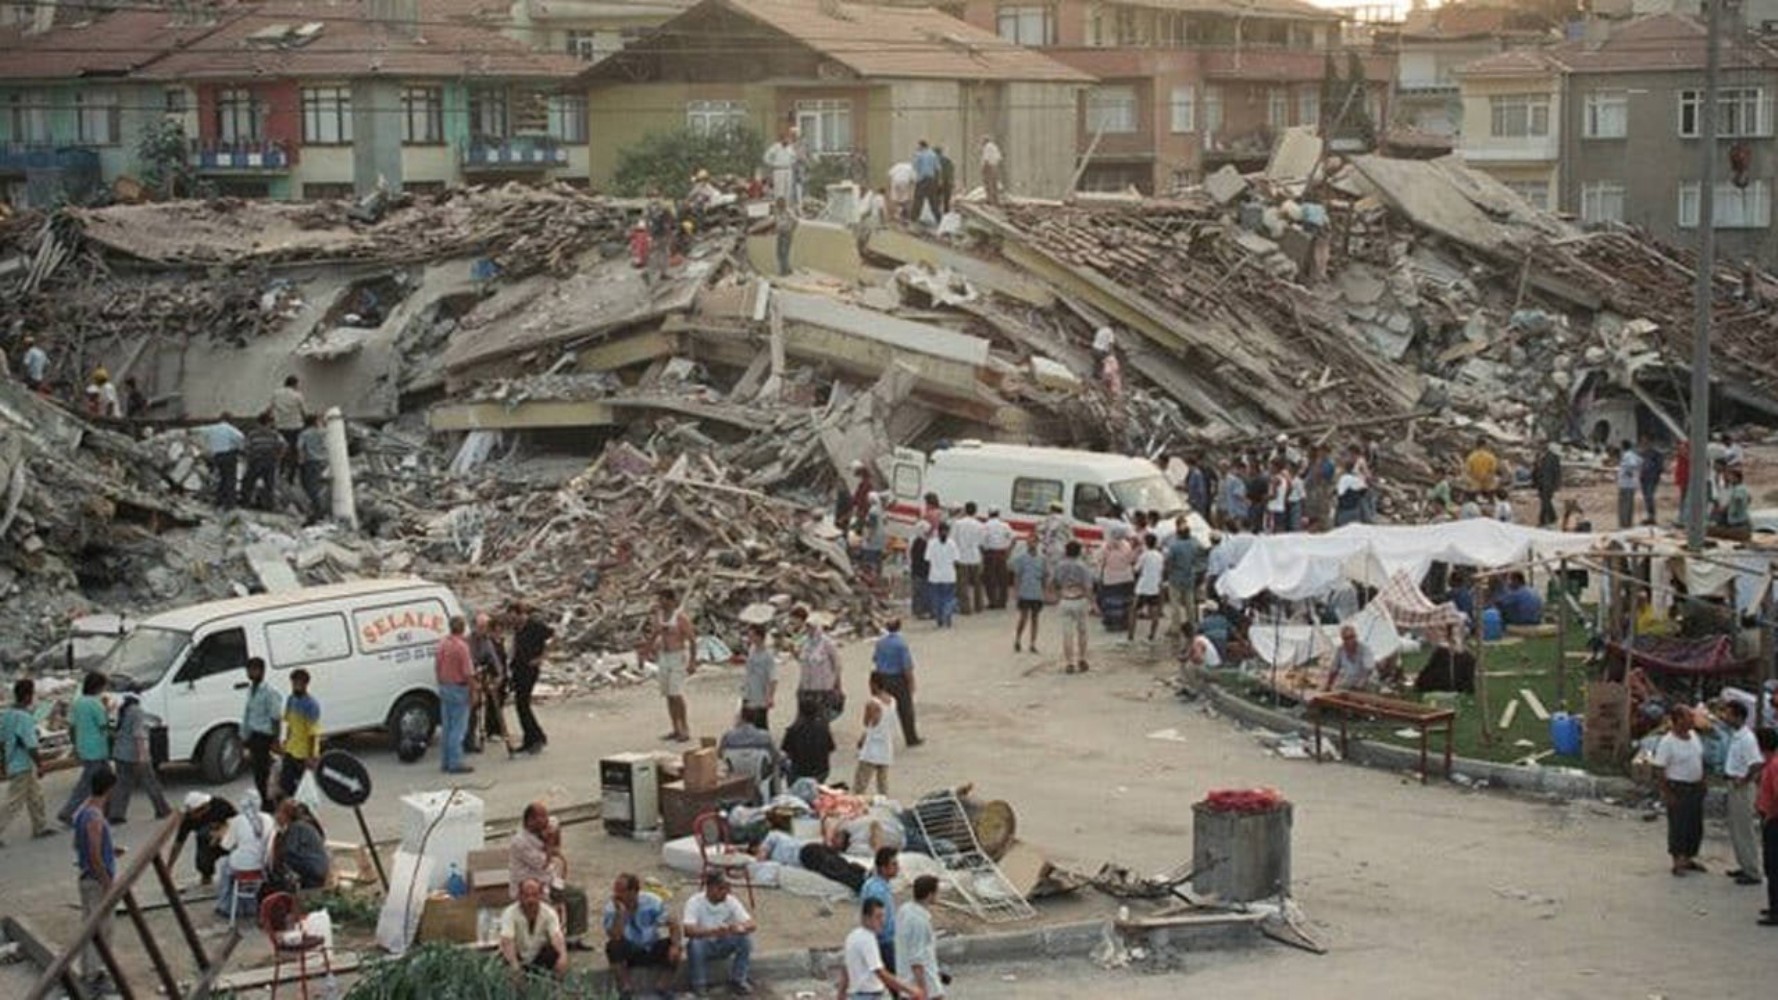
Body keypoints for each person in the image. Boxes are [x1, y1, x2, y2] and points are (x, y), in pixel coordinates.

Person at [509, 801, 590, 946]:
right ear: (530, 820)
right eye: (541, 817)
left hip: (548, 880)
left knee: (577, 895)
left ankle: (573, 937)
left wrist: (554, 834)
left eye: (546, 816)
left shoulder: (544, 827)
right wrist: (549, 842)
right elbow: (542, 863)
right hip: (528, 885)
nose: (546, 820)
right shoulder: (519, 841)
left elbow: (556, 833)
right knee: (547, 907)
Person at [73, 767, 118, 993]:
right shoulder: (95, 817)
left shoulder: (83, 811)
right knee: (100, 929)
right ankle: (94, 976)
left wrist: (111, 850)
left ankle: (91, 972)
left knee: (92, 926)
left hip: (86, 877)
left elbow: (81, 846)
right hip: (96, 881)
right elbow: (94, 853)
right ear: (109, 789)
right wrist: (107, 882)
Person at [603, 872, 680, 995]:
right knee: (613, 947)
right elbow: (615, 936)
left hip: (651, 945)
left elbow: (673, 922)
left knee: (673, 946)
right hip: (630, 949)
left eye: (622, 891)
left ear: (633, 891)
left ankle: (663, 987)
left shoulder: (652, 902)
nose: (617, 895)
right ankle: (626, 988)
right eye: (616, 891)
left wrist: (675, 945)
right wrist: (620, 914)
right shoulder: (612, 908)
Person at [0, 679, 56, 846]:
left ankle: (40, 826)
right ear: (27, 696)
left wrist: (3, 762)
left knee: (35, 796)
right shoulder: (24, 717)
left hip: (13, 760)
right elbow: (30, 745)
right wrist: (40, 764)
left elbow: (2, 741)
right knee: (14, 801)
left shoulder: (8, 714)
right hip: (23, 763)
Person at [682, 870, 755, 995]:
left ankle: (738, 980)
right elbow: (688, 930)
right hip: (704, 943)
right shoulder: (695, 902)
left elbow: (751, 923)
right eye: (720, 889)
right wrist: (712, 931)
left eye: (726, 889)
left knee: (745, 940)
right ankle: (699, 985)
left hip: (724, 941)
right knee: (696, 945)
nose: (724, 892)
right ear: (709, 888)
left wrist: (738, 927)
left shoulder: (730, 901)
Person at [1655, 704, 1706, 876]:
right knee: (1679, 825)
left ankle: (1689, 857)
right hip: (1678, 788)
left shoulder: (1693, 736)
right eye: (1688, 717)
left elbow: (1699, 758)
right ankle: (1677, 861)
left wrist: (1703, 781)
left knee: (1694, 825)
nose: (1693, 720)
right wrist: (1666, 793)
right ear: (1678, 720)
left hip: (1695, 787)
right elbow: (1660, 769)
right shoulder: (1667, 742)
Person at [839, 897, 923, 1000]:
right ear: (866, 918)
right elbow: (880, 972)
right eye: (878, 917)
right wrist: (910, 989)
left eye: (883, 916)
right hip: (870, 995)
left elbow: (846, 969)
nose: (882, 921)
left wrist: (841, 993)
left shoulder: (852, 936)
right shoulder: (867, 939)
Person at [59, 672, 112, 827]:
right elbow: (103, 726)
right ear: (99, 687)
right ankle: (67, 811)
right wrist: (107, 710)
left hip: (84, 748)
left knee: (107, 780)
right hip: (97, 748)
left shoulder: (78, 703)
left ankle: (107, 810)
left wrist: (75, 746)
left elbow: (72, 727)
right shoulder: (96, 704)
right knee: (87, 783)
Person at [1720, 701, 1765, 886]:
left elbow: (1756, 763)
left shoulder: (1747, 738)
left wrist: (1744, 779)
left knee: (1744, 830)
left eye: (1729, 714)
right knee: (1736, 829)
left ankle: (1752, 871)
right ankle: (1744, 865)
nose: (1726, 717)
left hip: (1741, 787)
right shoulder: (1736, 736)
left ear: (1738, 716)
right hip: (1733, 783)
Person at [107, 692, 169, 824]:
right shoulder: (137, 711)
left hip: (120, 753)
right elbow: (138, 735)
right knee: (151, 782)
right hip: (134, 753)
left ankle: (116, 814)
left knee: (122, 784)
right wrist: (143, 756)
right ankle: (162, 809)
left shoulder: (124, 710)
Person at [646, 587, 698, 743]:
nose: (661, 602)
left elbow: (692, 640)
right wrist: (647, 650)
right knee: (668, 694)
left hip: (677, 656)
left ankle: (685, 728)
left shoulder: (680, 617)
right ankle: (675, 728)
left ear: (671, 601)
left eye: (663, 599)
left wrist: (692, 662)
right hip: (664, 656)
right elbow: (654, 634)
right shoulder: (659, 616)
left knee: (676, 693)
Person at [216, 789, 272, 919]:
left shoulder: (237, 821)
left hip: (242, 868)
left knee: (225, 865)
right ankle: (251, 905)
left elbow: (225, 845)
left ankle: (225, 906)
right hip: (263, 866)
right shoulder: (268, 818)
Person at [501, 877, 568, 981]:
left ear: (541, 896)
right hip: (518, 957)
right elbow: (507, 941)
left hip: (538, 957)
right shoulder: (509, 913)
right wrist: (514, 965)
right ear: (519, 896)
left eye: (534, 895)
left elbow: (556, 936)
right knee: (506, 963)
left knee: (554, 954)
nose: (530, 900)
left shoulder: (549, 913)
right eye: (526, 896)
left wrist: (562, 957)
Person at [508, 602, 554, 753]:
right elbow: (515, 644)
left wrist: (542, 657)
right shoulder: (517, 628)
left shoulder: (535, 625)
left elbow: (552, 638)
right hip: (518, 668)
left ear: (521, 614)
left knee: (523, 704)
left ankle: (537, 737)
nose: (513, 621)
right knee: (520, 705)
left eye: (515, 617)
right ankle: (530, 738)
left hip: (530, 668)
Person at [435, 616, 475, 775]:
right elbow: (468, 673)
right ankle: (455, 762)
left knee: (447, 726)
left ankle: (445, 761)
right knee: (458, 728)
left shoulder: (443, 644)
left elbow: (437, 666)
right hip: (459, 688)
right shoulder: (462, 647)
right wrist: (474, 691)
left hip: (445, 686)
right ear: (463, 628)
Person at [871, 619, 921, 747]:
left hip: (882, 678)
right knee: (905, 710)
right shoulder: (901, 644)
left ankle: (877, 738)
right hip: (898, 679)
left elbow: (875, 659)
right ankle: (911, 738)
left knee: (881, 709)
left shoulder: (880, 643)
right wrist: (911, 683)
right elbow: (907, 667)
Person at [170, 792, 236, 886]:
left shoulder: (221, 805)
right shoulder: (188, 819)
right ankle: (206, 874)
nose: (192, 817)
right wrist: (169, 867)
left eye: (194, 813)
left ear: (204, 808)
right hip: (208, 843)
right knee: (203, 836)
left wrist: (221, 831)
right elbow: (178, 843)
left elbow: (237, 821)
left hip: (229, 839)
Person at [895, 875, 945, 999]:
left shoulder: (905, 910)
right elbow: (916, 960)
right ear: (930, 895)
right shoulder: (919, 921)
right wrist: (922, 991)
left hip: (906, 983)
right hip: (925, 986)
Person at [793, 605, 844, 722]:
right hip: (807, 686)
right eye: (807, 627)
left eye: (811, 627)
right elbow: (802, 662)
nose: (808, 630)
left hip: (823, 687)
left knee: (821, 716)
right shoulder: (805, 643)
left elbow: (837, 664)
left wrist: (837, 683)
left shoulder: (827, 643)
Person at [277, 668, 321, 801]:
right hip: (291, 749)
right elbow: (289, 723)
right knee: (286, 783)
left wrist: (311, 756)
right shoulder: (291, 700)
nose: (296, 686)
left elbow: (312, 733)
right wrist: (286, 741)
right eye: (294, 683)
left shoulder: (311, 705)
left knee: (303, 786)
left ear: (306, 684)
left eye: (299, 683)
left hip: (304, 752)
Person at [268, 799, 329, 891]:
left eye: (279, 813)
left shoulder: (297, 827)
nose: (276, 817)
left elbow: (288, 851)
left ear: (286, 815)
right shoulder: (304, 825)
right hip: (317, 869)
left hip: (312, 872)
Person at [470, 611, 510, 752]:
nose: (483, 630)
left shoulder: (487, 641)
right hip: (470, 677)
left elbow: (493, 657)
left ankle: (493, 731)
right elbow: (468, 660)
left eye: (485, 627)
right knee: (473, 710)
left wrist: (500, 674)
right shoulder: (468, 640)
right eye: (481, 627)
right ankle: (471, 738)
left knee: (493, 703)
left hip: (484, 674)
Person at [858, 847, 901, 975]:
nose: (898, 868)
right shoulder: (877, 890)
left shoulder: (879, 885)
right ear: (883, 868)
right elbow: (876, 917)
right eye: (894, 864)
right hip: (883, 941)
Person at [854, 674, 898, 796]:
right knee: (882, 784)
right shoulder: (892, 701)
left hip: (871, 748)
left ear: (874, 684)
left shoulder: (872, 703)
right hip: (886, 746)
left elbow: (867, 724)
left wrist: (861, 741)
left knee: (860, 783)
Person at [1054, 541, 1094, 674]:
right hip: (1080, 599)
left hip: (1065, 599)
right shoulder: (1083, 566)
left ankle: (1069, 662)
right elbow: (1088, 586)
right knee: (1082, 631)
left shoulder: (1060, 565)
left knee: (1067, 634)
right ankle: (1082, 658)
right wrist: (1093, 603)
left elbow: (1056, 582)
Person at [782, 694, 836, 784]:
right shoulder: (823, 729)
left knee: (783, 762)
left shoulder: (793, 730)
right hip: (820, 772)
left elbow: (786, 750)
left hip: (799, 772)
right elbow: (831, 748)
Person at [196, 412, 246, 509]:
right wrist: (240, 448)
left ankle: (218, 501)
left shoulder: (212, 428)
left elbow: (200, 431)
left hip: (217, 456)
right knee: (230, 480)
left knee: (222, 478)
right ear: (230, 420)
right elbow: (241, 438)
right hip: (229, 455)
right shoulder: (231, 429)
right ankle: (230, 504)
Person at [1163, 518, 1203, 636]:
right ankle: (1192, 625)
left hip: (1176, 577)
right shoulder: (1194, 544)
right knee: (1189, 603)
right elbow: (1198, 559)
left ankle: (1175, 628)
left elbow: (1169, 562)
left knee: (1175, 604)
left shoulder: (1174, 546)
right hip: (1190, 576)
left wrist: (1167, 573)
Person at [1010, 533, 1047, 654]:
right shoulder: (1021, 558)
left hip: (1036, 593)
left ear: (1037, 543)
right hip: (1025, 592)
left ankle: (1032, 643)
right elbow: (1017, 576)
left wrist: (1045, 592)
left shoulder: (1042, 559)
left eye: (1033, 542)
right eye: (1029, 542)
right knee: (1023, 618)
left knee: (1035, 618)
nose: (1031, 544)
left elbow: (1044, 577)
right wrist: (1016, 591)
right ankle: (1018, 639)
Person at [242, 411, 284, 510]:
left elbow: (247, 447)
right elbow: (282, 445)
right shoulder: (275, 434)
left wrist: (249, 457)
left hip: (256, 460)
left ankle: (246, 503)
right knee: (269, 484)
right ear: (269, 422)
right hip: (270, 460)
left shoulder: (252, 434)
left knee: (248, 482)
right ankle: (269, 506)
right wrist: (278, 457)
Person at [741, 622, 778, 730]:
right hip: (748, 692)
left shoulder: (768, 655)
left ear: (759, 636)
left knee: (761, 724)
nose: (749, 638)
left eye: (752, 635)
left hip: (761, 695)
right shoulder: (751, 650)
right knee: (746, 723)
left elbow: (773, 678)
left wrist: (770, 696)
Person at [1129, 532, 1165, 644]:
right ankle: (1152, 636)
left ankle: (1130, 636)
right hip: (1155, 587)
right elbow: (1162, 571)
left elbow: (1136, 569)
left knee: (1133, 611)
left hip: (1143, 587)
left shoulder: (1144, 555)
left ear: (1146, 543)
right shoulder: (1160, 556)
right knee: (1155, 613)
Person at [270, 375, 306, 484]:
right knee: (294, 451)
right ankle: (291, 476)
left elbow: (271, 408)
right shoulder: (297, 395)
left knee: (281, 449)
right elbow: (303, 411)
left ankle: (280, 471)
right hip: (295, 426)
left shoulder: (276, 394)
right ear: (295, 384)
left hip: (280, 426)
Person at [952, 502, 985, 615]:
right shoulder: (980, 525)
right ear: (975, 511)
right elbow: (982, 542)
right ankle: (979, 606)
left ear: (965, 510)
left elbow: (953, 540)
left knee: (963, 584)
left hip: (962, 557)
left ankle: (965, 608)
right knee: (977, 584)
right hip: (975, 557)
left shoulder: (958, 523)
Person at [295, 413, 329, 524]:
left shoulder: (304, 434)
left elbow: (300, 448)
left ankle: (317, 510)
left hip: (311, 462)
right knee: (319, 486)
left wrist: (300, 461)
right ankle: (319, 508)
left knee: (310, 486)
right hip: (323, 461)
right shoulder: (323, 432)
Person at [925, 522, 960, 629]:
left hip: (935, 576)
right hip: (949, 576)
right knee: (948, 598)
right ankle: (947, 615)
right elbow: (956, 560)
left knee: (936, 599)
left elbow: (927, 559)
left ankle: (940, 618)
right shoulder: (952, 544)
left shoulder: (931, 543)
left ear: (938, 531)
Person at [1322, 625, 1376, 692]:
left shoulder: (1365, 649)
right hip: (1349, 683)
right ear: (1343, 639)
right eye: (1346, 638)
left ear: (1355, 637)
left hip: (1367, 683)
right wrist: (1328, 685)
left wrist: (1360, 683)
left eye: (1351, 637)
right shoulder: (1340, 650)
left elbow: (1368, 669)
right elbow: (1334, 669)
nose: (1349, 640)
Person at [980, 507, 1014, 610]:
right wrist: (1008, 552)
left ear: (989, 514)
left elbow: (981, 541)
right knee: (1003, 579)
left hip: (989, 554)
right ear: (998, 514)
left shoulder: (985, 526)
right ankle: (1002, 602)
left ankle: (992, 602)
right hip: (1002, 554)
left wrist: (983, 553)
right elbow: (1013, 539)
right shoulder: (1005, 525)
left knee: (990, 579)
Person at [1531, 441, 1562, 528]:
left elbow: (1557, 472)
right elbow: (1535, 469)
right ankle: (1552, 517)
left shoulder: (1553, 457)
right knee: (1545, 501)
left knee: (1545, 501)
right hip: (1540, 483)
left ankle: (1543, 520)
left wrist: (1557, 484)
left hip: (1549, 483)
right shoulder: (1538, 456)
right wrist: (1534, 481)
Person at [911, 140, 940, 226]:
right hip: (931, 180)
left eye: (918, 146)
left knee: (918, 200)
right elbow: (937, 168)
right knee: (933, 200)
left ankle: (913, 219)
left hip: (922, 179)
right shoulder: (933, 154)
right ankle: (938, 219)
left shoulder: (919, 155)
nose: (917, 148)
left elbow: (915, 167)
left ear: (921, 146)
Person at [1614, 441, 1642, 530]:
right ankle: (1628, 523)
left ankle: (1624, 524)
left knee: (1624, 505)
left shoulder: (1628, 455)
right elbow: (1640, 461)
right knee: (1629, 504)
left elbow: (1632, 464)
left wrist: (1628, 471)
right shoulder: (1633, 455)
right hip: (1630, 484)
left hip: (1626, 484)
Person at [763, 131, 798, 201]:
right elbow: (766, 157)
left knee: (788, 190)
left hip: (788, 170)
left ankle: (787, 205)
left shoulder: (790, 148)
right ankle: (779, 206)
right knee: (779, 190)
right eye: (786, 139)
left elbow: (794, 157)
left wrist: (791, 163)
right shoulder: (775, 147)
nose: (787, 140)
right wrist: (773, 164)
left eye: (788, 139)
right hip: (779, 170)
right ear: (782, 139)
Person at [909, 521, 932, 620]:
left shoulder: (916, 541)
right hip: (921, 571)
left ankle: (918, 611)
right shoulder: (920, 543)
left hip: (917, 570)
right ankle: (921, 612)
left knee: (919, 592)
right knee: (921, 592)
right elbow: (923, 559)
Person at [771, 196, 798, 277]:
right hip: (780, 233)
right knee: (779, 253)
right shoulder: (778, 212)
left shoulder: (788, 212)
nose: (778, 205)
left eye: (780, 203)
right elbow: (777, 222)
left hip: (786, 233)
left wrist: (791, 231)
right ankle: (787, 269)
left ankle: (784, 271)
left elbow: (795, 221)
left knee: (784, 252)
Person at [979, 134, 1002, 206]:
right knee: (994, 184)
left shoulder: (987, 147)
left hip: (989, 167)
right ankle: (995, 201)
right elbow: (999, 158)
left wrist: (983, 168)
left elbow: (986, 159)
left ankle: (990, 200)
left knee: (988, 184)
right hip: (995, 166)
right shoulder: (994, 146)